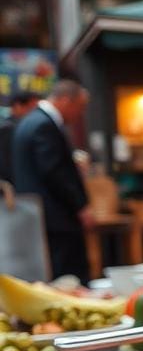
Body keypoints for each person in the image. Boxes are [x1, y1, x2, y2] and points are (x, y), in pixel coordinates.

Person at [11, 81, 93, 282]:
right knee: (67, 279)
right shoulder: (44, 124)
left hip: (39, 216)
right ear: (66, 100)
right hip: (56, 218)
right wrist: (80, 206)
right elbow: (54, 172)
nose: (80, 114)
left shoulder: (30, 121)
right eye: (80, 107)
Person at [0, 92, 39, 184]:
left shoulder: (22, 125)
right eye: (31, 108)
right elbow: (7, 163)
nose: (35, 112)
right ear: (18, 106)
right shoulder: (8, 128)